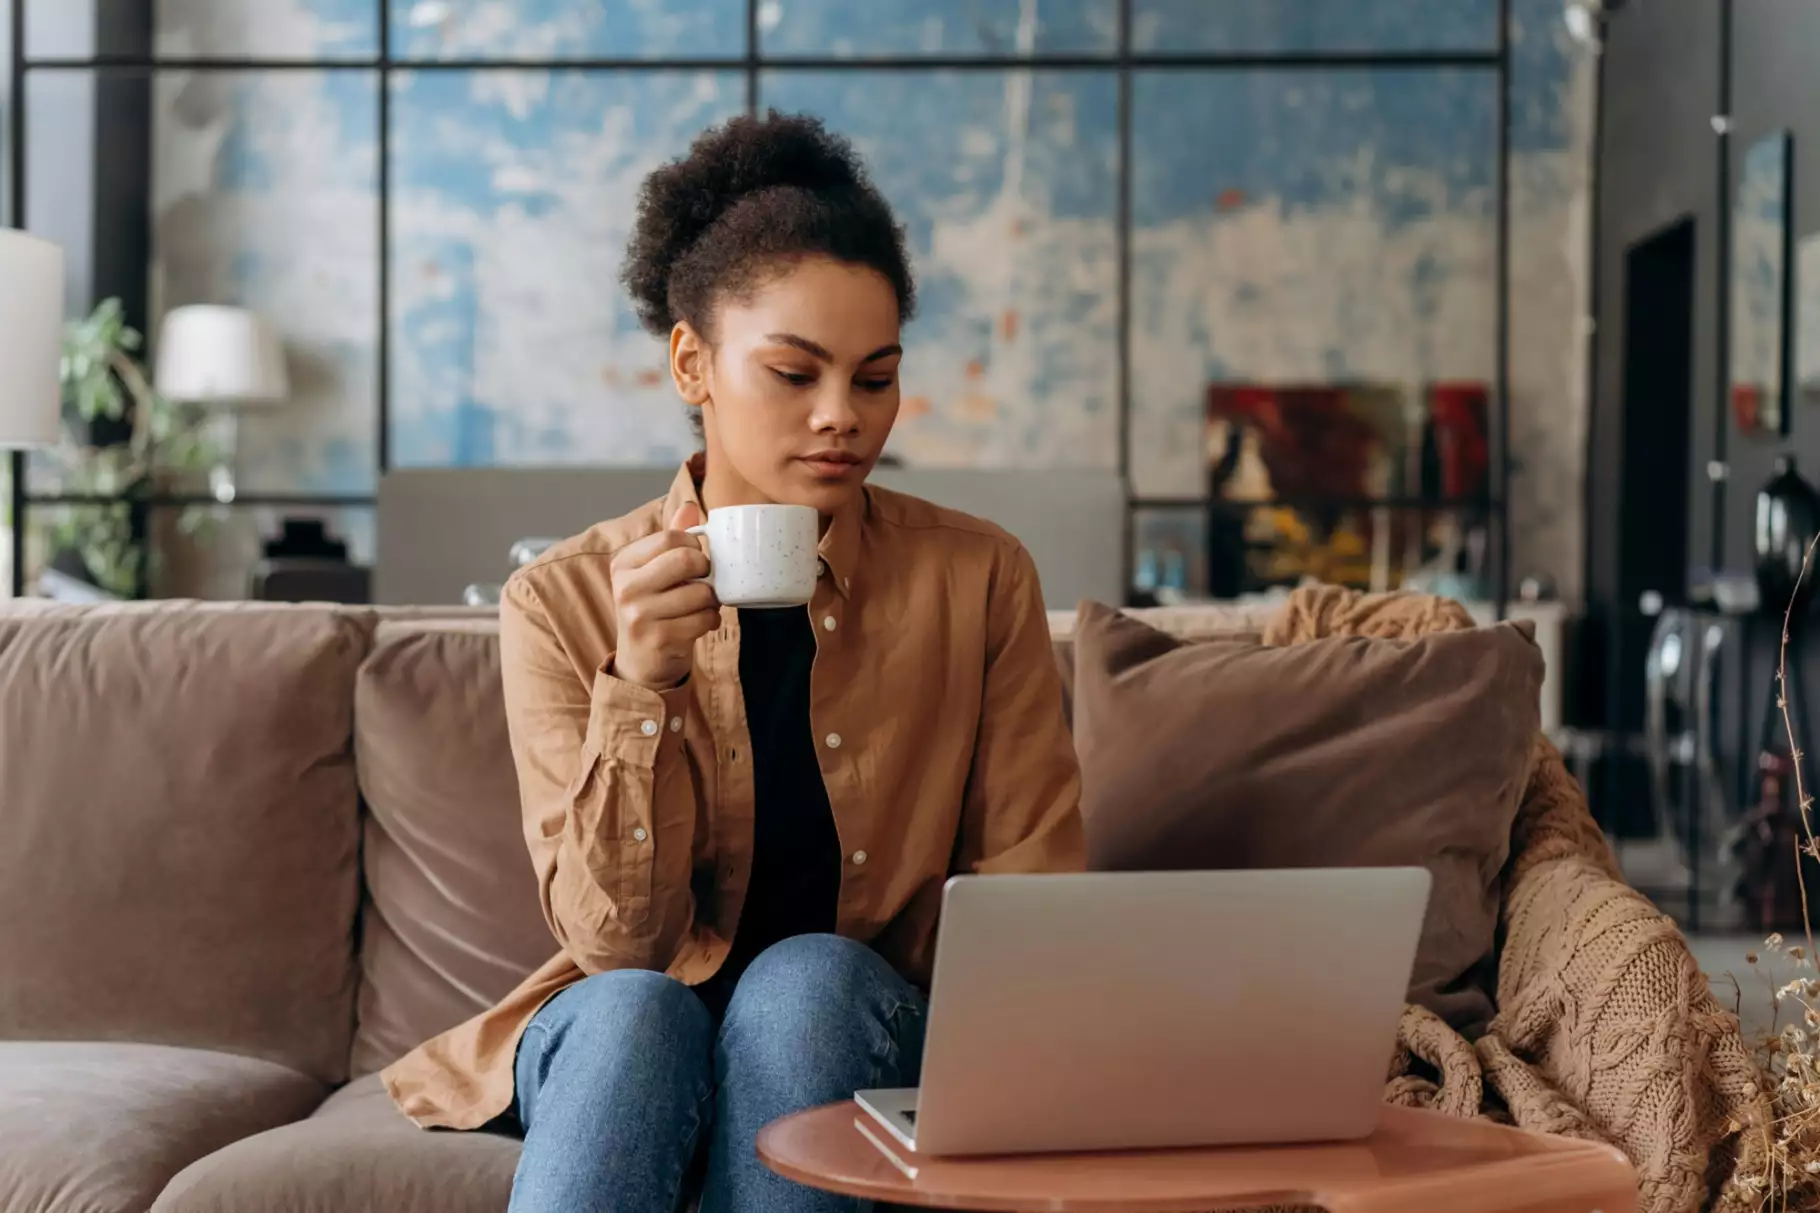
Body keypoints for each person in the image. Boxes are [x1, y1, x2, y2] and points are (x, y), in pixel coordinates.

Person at [380, 111, 1084, 1213]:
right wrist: (641, 686)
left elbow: (1031, 903)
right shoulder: (562, 600)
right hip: (626, 1020)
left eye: (874, 377)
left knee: (802, 981)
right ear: (691, 362)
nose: (840, 418)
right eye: (794, 373)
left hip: (850, 1017)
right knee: (633, 1009)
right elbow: (615, 944)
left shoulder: (977, 579)